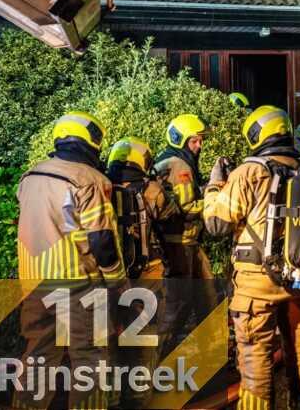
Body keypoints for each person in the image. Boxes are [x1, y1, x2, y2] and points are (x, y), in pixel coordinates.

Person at [203, 106, 300, 409]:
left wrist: (215, 185)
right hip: (298, 276)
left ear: (256, 134)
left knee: (256, 359)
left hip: (256, 285)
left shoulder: (249, 171)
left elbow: (217, 224)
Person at [15, 111, 126, 409]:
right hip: (77, 286)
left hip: (34, 284)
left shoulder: (31, 176)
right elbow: (101, 241)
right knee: (91, 359)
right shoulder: (90, 180)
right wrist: (118, 282)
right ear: (90, 141)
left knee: (38, 357)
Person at [105, 136, 175, 407]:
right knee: (144, 335)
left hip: (111, 275)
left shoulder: (102, 186)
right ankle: (138, 396)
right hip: (147, 273)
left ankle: (110, 397)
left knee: (109, 336)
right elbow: (170, 215)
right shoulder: (151, 189)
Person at [154, 114, 216, 353]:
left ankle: (209, 351)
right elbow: (188, 208)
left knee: (206, 295)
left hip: (188, 241)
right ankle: (155, 356)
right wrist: (214, 199)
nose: (199, 146)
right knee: (178, 303)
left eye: (200, 141)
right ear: (180, 140)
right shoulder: (179, 165)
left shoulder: (175, 161)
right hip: (179, 242)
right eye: (194, 141)